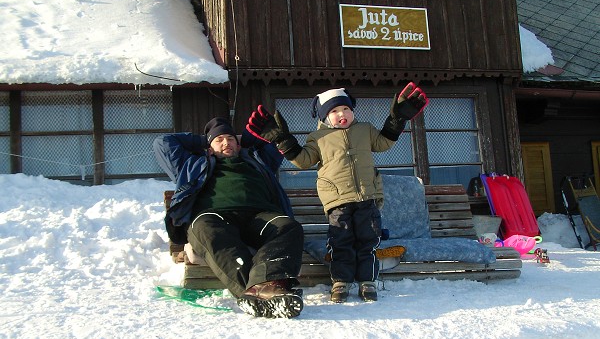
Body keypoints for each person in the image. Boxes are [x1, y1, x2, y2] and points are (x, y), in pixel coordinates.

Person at [246, 83, 428, 303]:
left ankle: (367, 282)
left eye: (346, 109)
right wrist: (282, 140)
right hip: (337, 201)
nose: (341, 114)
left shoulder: (365, 130)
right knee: (341, 242)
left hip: (366, 198)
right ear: (324, 117)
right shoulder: (318, 138)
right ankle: (340, 282)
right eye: (334, 111)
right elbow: (303, 161)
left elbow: (384, 143)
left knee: (368, 242)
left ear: (352, 111)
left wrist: (397, 120)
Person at [153, 117, 305, 318]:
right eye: (219, 140)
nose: (226, 143)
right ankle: (262, 289)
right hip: (214, 216)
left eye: (231, 139)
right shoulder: (191, 164)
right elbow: (162, 143)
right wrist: (203, 140)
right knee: (207, 229)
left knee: (288, 226)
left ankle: (261, 289)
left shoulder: (258, 159)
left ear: (239, 143)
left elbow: (274, 144)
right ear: (209, 147)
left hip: (259, 215)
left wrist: (250, 139)